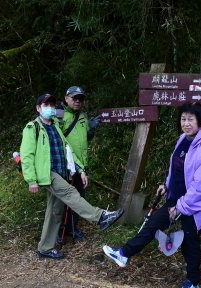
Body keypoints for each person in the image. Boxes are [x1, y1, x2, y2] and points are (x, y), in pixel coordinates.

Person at [102, 102, 201, 288]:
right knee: (152, 225)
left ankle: (193, 281)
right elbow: (175, 168)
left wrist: (181, 207)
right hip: (174, 199)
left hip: (192, 206)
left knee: (189, 243)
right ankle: (124, 254)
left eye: (191, 119)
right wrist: (166, 185)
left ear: (200, 121)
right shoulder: (183, 139)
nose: (186, 123)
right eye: (183, 119)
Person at [20, 93, 124, 260]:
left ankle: (45, 248)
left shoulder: (55, 126)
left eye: (52, 106)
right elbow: (26, 155)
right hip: (47, 173)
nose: (50, 108)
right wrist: (31, 179)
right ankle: (100, 217)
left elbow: (67, 149)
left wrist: (80, 169)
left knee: (55, 211)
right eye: (46, 105)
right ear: (38, 108)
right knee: (70, 192)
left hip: (60, 171)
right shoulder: (33, 127)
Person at [55, 86, 101, 244]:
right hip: (66, 165)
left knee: (79, 198)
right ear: (66, 98)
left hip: (81, 165)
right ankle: (57, 232)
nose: (77, 101)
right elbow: (56, 138)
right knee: (62, 200)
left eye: (80, 98)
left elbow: (85, 138)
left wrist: (92, 130)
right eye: (74, 98)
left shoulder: (82, 116)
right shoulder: (59, 115)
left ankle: (72, 228)